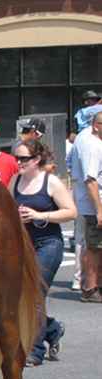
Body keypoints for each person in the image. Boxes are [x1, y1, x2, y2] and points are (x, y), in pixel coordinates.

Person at [10, 140, 76, 366]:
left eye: (24, 159)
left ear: (37, 159)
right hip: (23, 245)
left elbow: (71, 212)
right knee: (20, 295)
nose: (18, 162)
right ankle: (52, 329)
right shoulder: (15, 181)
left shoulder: (51, 182)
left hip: (48, 243)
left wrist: (40, 216)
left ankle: (34, 351)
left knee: (33, 294)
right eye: (16, 158)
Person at [67, 111, 102, 303]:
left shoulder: (88, 140)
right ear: (96, 125)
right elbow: (91, 180)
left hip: (90, 203)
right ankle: (89, 288)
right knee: (94, 247)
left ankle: (94, 285)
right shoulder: (93, 146)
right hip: (92, 204)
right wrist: (99, 210)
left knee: (95, 246)